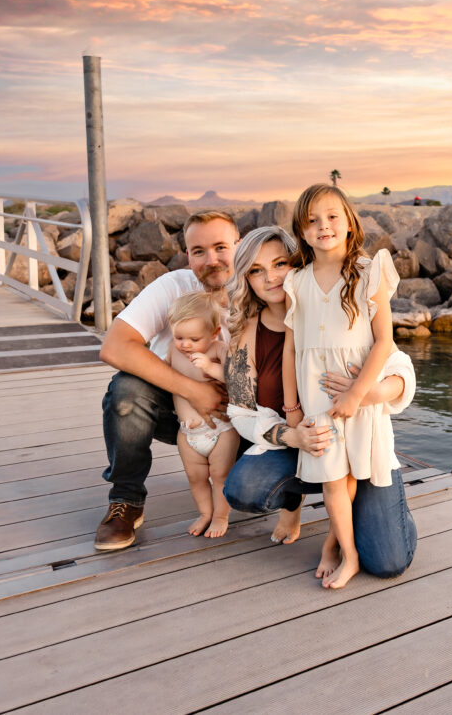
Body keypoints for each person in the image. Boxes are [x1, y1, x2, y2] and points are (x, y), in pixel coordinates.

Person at [222, 223, 417, 582]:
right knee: (244, 488)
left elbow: (400, 369)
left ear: (298, 264)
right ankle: (297, 503)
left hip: (355, 435)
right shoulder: (244, 333)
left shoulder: (338, 304)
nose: (271, 278)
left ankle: (376, 514)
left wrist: (362, 393)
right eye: (256, 270)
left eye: (280, 264)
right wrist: (289, 435)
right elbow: (240, 410)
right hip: (298, 440)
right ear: (246, 279)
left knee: (388, 561)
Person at [95, 210, 238, 551]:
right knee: (126, 391)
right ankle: (126, 502)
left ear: (240, 245)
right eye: (198, 251)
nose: (211, 260)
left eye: (221, 247)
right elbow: (114, 346)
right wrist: (193, 390)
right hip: (179, 412)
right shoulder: (174, 287)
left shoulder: (262, 288)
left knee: (253, 493)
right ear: (187, 254)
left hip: (242, 419)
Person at [282, 183, 400, 589]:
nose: (323, 226)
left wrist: (355, 393)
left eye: (332, 216)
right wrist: (291, 407)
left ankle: (333, 543)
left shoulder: (369, 271)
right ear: (301, 230)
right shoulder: (296, 280)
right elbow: (291, 347)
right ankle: (349, 555)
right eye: (312, 220)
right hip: (316, 394)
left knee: (350, 477)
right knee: (333, 477)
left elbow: (384, 342)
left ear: (350, 222)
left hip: (357, 392)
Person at [166, 291, 239, 537]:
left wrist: (210, 368)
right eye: (179, 337)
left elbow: (236, 379)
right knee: (195, 477)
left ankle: (220, 516)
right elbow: (163, 375)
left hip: (221, 431)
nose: (186, 345)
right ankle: (205, 513)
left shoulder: (219, 350)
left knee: (220, 476)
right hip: (188, 432)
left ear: (214, 333)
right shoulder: (173, 351)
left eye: (194, 339)